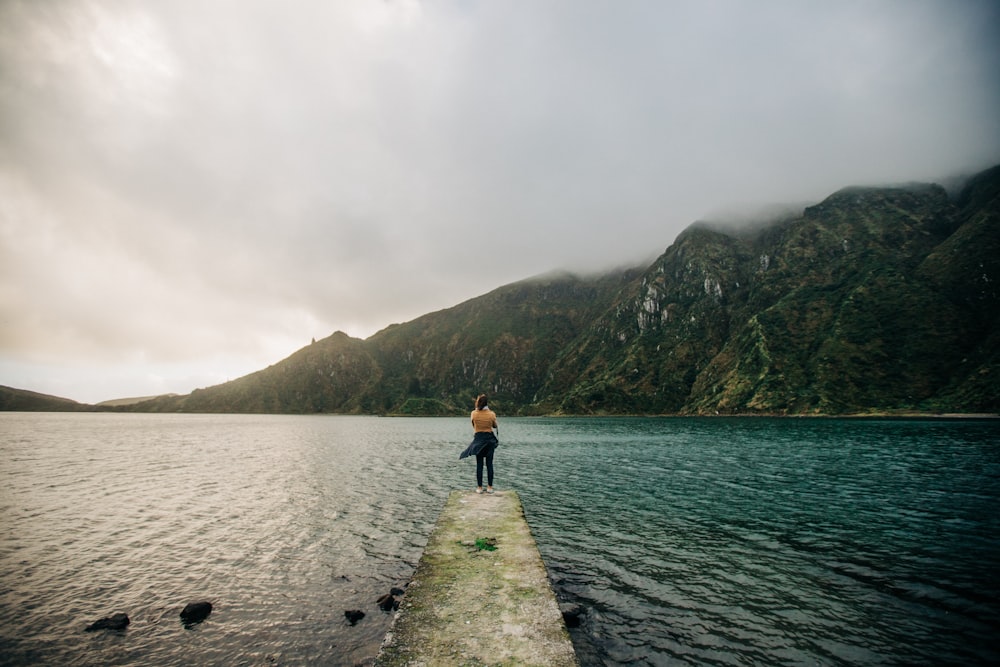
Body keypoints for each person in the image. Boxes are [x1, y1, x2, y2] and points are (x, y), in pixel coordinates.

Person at [458, 393, 499, 494]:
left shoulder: (473, 413)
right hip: (489, 440)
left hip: (478, 439)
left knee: (479, 464)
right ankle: (489, 487)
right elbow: (494, 426)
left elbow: (473, 425)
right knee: (489, 464)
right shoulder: (491, 414)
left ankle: (480, 488)